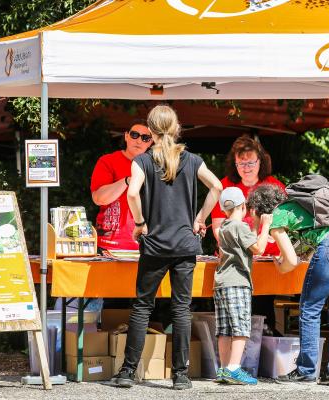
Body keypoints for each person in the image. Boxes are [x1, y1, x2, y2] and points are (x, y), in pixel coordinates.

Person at [112, 105, 222, 390]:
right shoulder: (193, 160)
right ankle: (181, 376)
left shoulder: (143, 162)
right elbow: (218, 188)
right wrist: (200, 219)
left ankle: (127, 372)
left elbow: (133, 193)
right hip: (185, 245)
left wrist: (139, 223)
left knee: (141, 307)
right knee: (181, 309)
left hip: (154, 245)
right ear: (176, 128)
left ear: (150, 130)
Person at [246, 184, 329, 386]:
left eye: (252, 217)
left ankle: (307, 371)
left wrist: (279, 265)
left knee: (310, 308)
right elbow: (306, 249)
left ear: (257, 211)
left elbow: (291, 262)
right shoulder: (295, 206)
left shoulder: (277, 217)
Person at [214, 187, 272, 385]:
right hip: (237, 283)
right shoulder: (239, 227)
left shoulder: (224, 226)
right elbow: (258, 248)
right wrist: (265, 226)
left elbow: (246, 242)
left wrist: (255, 227)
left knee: (224, 329)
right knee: (240, 328)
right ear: (243, 206)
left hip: (221, 283)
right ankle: (234, 368)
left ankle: (223, 369)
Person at [211, 134, 285, 255]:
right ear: (234, 164)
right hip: (235, 256)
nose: (246, 168)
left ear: (260, 161)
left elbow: (286, 223)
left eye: (251, 163)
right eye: (241, 163)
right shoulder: (223, 187)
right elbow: (218, 226)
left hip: (271, 258)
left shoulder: (276, 186)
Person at [90, 122, 153, 251]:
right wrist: (127, 181)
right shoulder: (108, 161)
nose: (139, 141)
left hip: (147, 245)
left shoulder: (156, 167)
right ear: (126, 136)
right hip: (110, 245)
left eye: (145, 138)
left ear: (150, 142)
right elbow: (98, 198)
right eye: (135, 135)